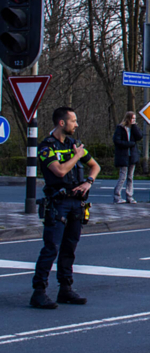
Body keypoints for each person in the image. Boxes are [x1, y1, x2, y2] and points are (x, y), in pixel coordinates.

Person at [31, 107, 100, 309]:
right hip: (58, 203)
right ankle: (39, 292)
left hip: (76, 203)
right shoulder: (47, 147)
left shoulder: (75, 144)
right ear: (62, 123)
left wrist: (88, 182)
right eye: (73, 121)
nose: (76, 124)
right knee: (51, 247)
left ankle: (66, 289)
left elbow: (95, 166)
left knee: (70, 247)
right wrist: (77, 156)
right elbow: (60, 171)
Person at [113, 111, 142, 204]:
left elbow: (139, 136)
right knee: (123, 176)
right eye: (132, 119)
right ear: (128, 119)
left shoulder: (134, 129)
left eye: (135, 119)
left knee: (130, 177)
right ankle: (117, 196)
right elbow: (117, 141)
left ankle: (129, 196)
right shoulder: (120, 128)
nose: (134, 120)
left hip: (132, 156)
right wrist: (129, 144)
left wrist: (135, 127)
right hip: (123, 155)